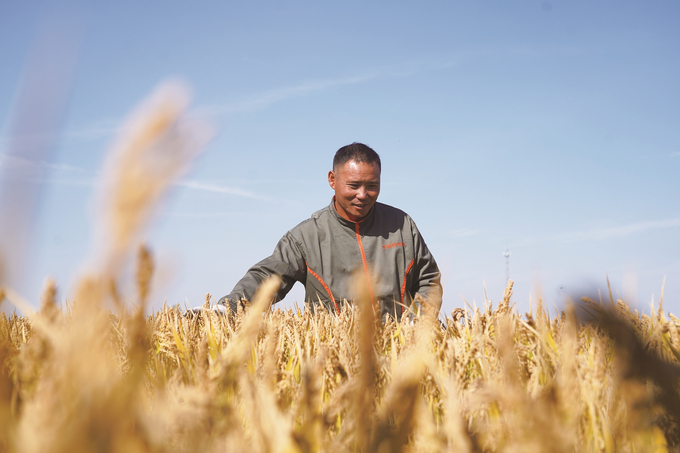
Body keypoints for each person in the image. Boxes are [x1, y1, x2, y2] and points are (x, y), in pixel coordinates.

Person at [218, 142, 442, 319]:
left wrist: (418, 322)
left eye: (372, 186)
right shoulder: (305, 237)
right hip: (335, 356)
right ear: (332, 180)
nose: (363, 195)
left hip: (398, 352)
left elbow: (428, 279)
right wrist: (225, 309)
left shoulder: (402, 225)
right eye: (353, 186)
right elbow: (267, 278)